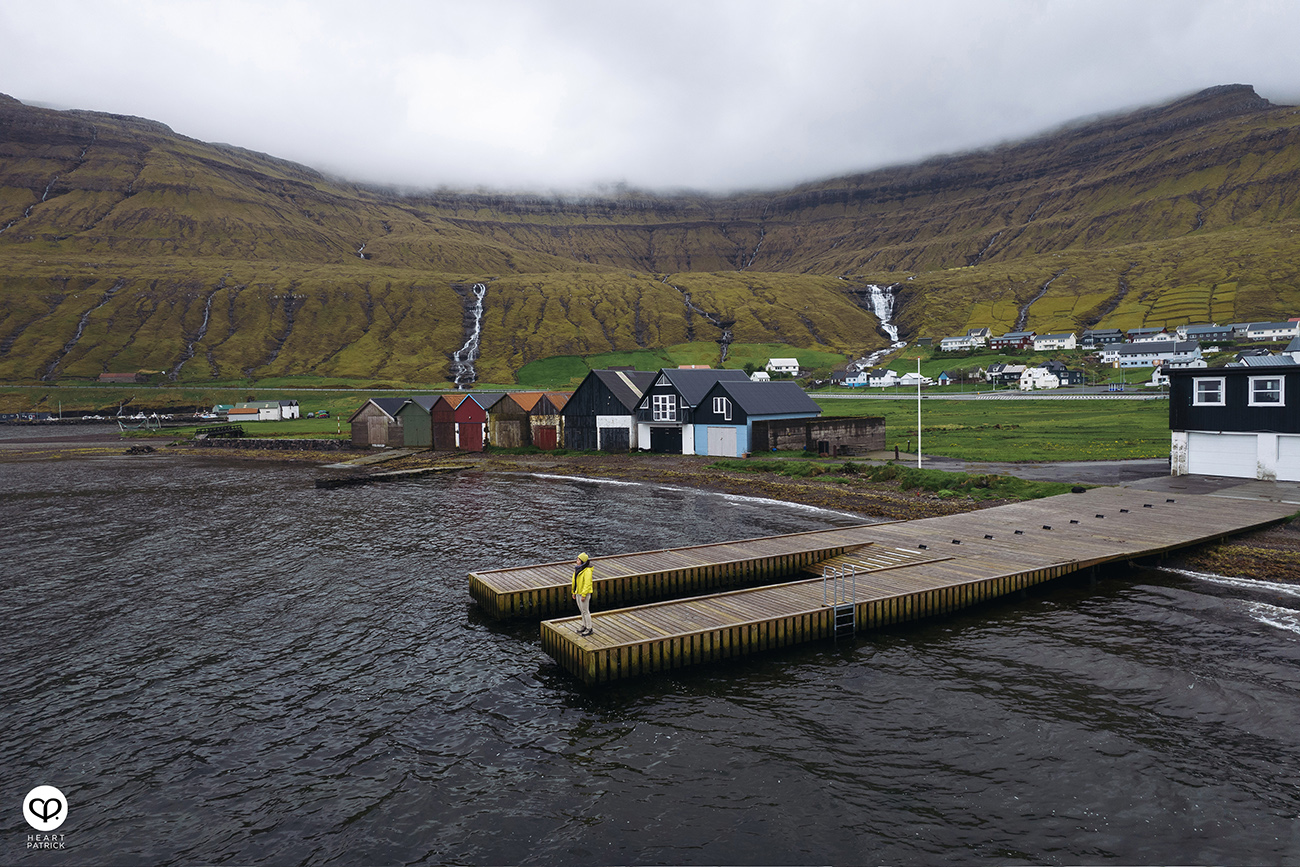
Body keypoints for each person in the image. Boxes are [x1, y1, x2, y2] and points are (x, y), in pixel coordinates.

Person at [572, 552, 594, 636]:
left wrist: (584, 595)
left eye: (578, 560)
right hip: (578, 592)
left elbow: (587, 584)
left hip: (583, 593)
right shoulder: (577, 569)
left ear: (582, 561)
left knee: (585, 611)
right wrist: (573, 592)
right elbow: (574, 582)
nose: (577, 561)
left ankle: (589, 628)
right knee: (582, 610)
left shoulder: (587, 571)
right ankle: (584, 625)